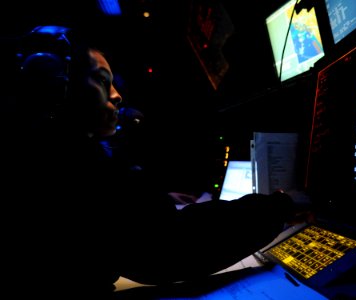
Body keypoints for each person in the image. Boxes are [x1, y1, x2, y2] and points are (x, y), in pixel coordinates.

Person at [3, 25, 312, 298]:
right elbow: (170, 248)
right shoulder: (70, 162)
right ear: (56, 88)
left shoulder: (46, 150)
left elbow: (129, 227)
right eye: (101, 81)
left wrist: (154, 205)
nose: (117, 95)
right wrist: (279, 206)